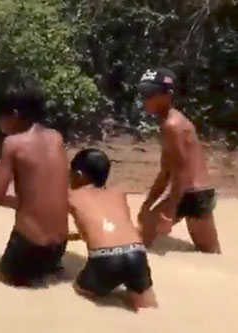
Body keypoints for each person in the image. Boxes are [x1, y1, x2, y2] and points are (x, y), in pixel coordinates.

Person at [0, 76, 69, 287]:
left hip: (28, 247)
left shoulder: (12, 143)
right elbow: (24, 161)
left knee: (3, 283)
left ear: (15, 115)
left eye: (0, 115)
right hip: (57, 248)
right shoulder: (55, 137)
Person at [136, 68, 221, 254]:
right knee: (211, 253)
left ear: (168, 95)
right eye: (143, 93)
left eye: (150, 93)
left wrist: (169, 211)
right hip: (197, 192)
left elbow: (182, 172)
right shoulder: (169, 122)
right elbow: (166, 171)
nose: (145, 99)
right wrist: (147, 203)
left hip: (191, 193)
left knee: (138, 242)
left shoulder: (171, 125)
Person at [68, 149, 158, 311]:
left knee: (80, 293)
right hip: (136, 253)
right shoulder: (119, 194)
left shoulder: (71, 196)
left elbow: (56, 227)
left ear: (78, 175)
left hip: (105, 258)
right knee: (148, 309)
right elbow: (119, 226)